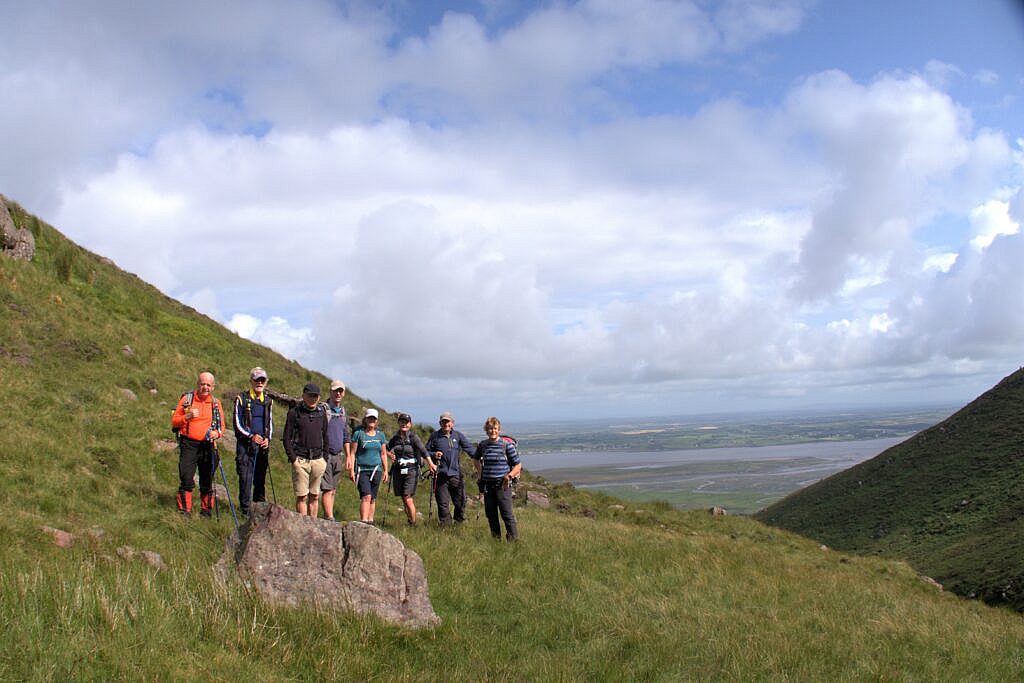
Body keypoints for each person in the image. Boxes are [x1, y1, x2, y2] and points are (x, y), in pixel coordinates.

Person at [170, 371, 225, 518]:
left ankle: (206, 512)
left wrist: (217, 434)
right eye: (202, 384)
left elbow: (221, 427)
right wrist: (186, 417)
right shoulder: (187, 399)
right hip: (189, 444)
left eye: (208, 385)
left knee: (207, 479)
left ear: (213, 387)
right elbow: (174, 421)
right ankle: (185, 511)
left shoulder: (215, 403)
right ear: (197, 384)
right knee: (186, 477)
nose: (205, 387)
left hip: (208, 445)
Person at [282, 383, 329, 517]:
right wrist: (293, 459)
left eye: (316, 396)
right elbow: (286, 438)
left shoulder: (322, 413)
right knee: (302, 496)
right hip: (300, 461)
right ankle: (303, 525)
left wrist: (324, 459)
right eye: (310, 396)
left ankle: (313, 525)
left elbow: (325, 436)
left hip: (318, 460)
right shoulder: (294, 413)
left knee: (314, 496)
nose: (313, 399)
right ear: (304, 396)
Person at [472, 416, 523, 541]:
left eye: (495, 428)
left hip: (503, 485)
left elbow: (518, 465)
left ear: (499, 430)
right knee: (491, 515)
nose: (492, 431)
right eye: (489, 429)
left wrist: (509, 476)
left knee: (507, 514)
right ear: (486, 430)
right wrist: (480, 472)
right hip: (488, 485)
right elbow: (475, 459)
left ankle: (513, 541)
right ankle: (496, 541)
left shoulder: (506, 446)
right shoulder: (483, 445)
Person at [233, 367, 273, 516]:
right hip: (246, 447)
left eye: (262, 380)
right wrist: (251, 436)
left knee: (260, 480)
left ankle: (259, 511)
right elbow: (237, 424)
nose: (260, 383)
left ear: (266, 382)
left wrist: (267, 439)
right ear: (251, 381)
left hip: (262, 447)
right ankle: (245, 512)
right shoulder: (241, 399)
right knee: (245, 478)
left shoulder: (268, 401)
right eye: (257, 380)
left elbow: (270, 423)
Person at [424, 411, 476, 526]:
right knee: (443, 503)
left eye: (448, 421)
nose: (446, 424)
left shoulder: (458, 436)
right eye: (443, 422)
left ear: (452, 423)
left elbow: (470, 449)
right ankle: (446, 527)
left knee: (460, 502)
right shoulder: (434, 436)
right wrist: (434, 454)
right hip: (440, 475)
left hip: (456, 475)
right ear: (440, 423)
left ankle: (459, 523)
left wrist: (480, 456)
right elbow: (425, 452)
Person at [347, 408, 389, 524]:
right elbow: (352, 453)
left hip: (377, 470)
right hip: (362, 470)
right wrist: (351, 470)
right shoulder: (358, 434)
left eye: (374, 419)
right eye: (370, 418)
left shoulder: (381, 435)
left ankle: (371, 521)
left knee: (373, 498)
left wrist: (386, 470)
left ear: (376, 421)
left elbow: (383, 453)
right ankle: (364, 521)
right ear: (365, 419)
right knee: (366, 496)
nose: (372, 420)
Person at [387, 413, 428, 525]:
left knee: (407, 497)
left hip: (411, 470)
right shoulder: (395, 438)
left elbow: (424, 451)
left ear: (410, 424)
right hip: (398, 470)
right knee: (403, 498)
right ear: (398, 423)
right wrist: (389, 454)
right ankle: (410, 520)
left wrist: (432, 464)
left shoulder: (414, 438)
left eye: (406, 422)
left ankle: (413, 523)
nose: (404, 424)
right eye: (401, 421)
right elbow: (385, 448)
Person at [320, 379, 351, 522]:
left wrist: (349, 456)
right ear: (330, 392)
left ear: (343, 393)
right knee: (326, 488)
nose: (338, 393)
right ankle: (329, 517)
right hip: (324, 454)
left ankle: (329, 516)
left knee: (333, 489)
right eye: (335, 391)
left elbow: (346, 436)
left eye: (341, 391)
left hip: (338, 455)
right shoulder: (323, 410)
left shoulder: (343, 412)